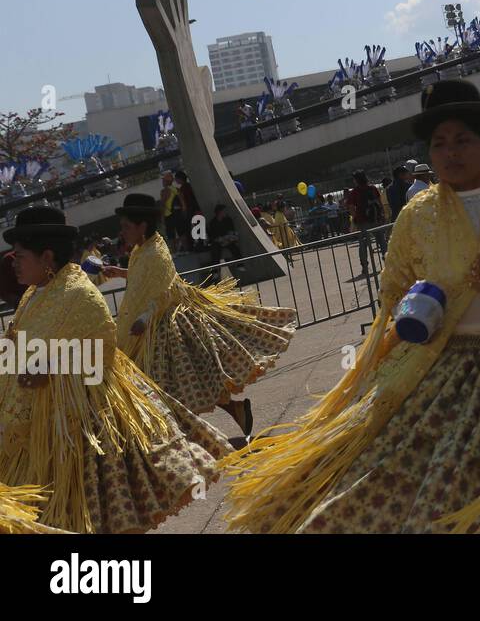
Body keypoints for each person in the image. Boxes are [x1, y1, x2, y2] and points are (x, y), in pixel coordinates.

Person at [221, 79, 480, 533]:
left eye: (463, 140)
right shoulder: (417, 215)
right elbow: (394, 295)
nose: (451, 152)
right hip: (443, 368)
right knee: (411, 488)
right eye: (440, 143)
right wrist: (416, 310)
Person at [1, 206, 231, 532]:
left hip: (80, 428)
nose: (14, 264)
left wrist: (50, 370)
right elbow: (16, 341)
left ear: (46, 257)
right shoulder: (31, 296)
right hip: (30, 427)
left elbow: (101, 351)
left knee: (97, 512)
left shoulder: (79, 295)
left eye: (20, 257)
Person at [102, 194, 296, 439]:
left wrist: (144, 318)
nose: (123, 232)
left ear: (142, 226)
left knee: (175, 386)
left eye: (126, 226)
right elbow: (144, 279)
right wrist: (120, 273)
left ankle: (187, 438)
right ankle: (231, 413)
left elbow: (165, 290)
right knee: (179, 386)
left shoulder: (155, 252)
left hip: (165, 327)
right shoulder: (141, 250)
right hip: (149, 328)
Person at [346, 170, 388, 276]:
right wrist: (382, 214)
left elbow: (350, 206)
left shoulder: (355, 191)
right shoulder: (373, 188)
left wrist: (355, 217)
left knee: (363, 244)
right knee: (382, 241)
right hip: (375, 219)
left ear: (356, 180)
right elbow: (379, 202)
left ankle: (365, 266)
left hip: (362, 221)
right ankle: (387, 260)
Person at [175, 170, 202, 252]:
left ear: (180, 179)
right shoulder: (189, 186)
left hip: (191, 211)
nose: (176, 181)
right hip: (194, 210)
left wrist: (185, 211)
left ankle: (193, 246)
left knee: (189, 229)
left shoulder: (183, 189)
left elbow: (186, 201)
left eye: (176, 179)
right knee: (197, 229)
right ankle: (199, 244)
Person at [208, 202, 241, 269]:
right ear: (220, 212)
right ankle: (215, 270)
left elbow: (232, 231)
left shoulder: (228, 220)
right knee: (215, 250)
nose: (226, 212)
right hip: (218, 241)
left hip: (228, 239)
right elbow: (212, 235)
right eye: (224, 211)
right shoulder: (213, 222)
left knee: (234, 247)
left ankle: (240, 264)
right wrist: (219, 239)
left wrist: (228, 237)